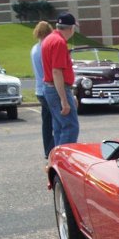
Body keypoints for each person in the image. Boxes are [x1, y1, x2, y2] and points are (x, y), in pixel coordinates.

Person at [41, 12, 79, 146]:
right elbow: (56, 71)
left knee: (59, 127)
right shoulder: (59, 42)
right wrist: (64, 99)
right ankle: (63, 162)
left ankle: (56, 159)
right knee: (70, 128)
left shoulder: (49, 39)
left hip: (50, 88)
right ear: (71, 28)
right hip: (57, 89)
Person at [30, 21, 55, 158]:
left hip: (38, 89)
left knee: (46, 123)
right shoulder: (46, 48)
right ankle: (53, 149)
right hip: (48, 88)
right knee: (57, 122)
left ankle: (47, 150)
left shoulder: (34, 48)